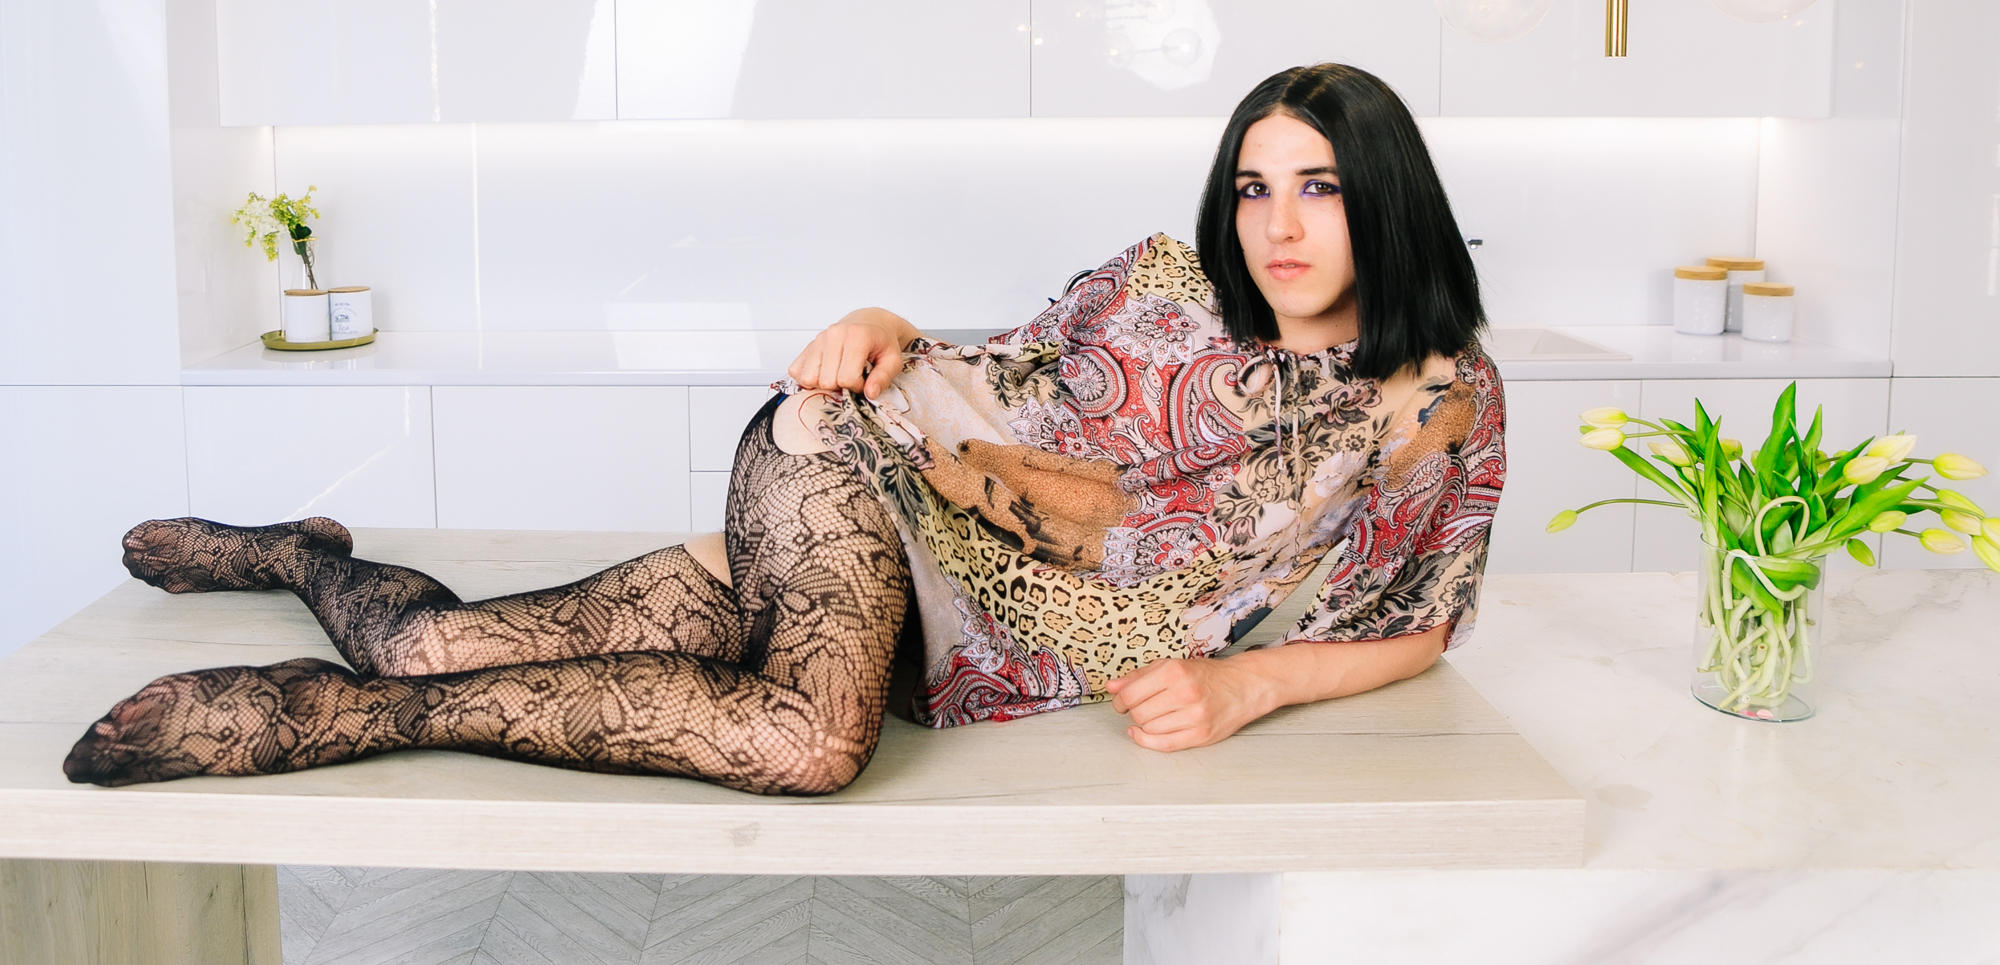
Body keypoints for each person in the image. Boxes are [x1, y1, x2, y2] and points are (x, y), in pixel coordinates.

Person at [63, 61, 1504, 795]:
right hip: (847, 480)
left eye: (1317, 186)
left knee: (425, 640)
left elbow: (1424, 619)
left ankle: (304, 556)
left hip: (961, 616)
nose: (1276, 224)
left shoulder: (1438, 401)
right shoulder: (1165, 284)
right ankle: (327, 720)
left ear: (1384, 194)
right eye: (1254, 186)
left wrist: (1248, 688)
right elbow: (991, 375)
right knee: (810, 742)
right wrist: (880, 318)